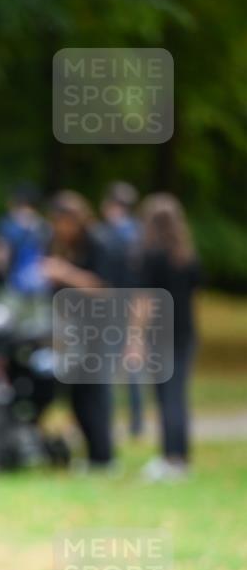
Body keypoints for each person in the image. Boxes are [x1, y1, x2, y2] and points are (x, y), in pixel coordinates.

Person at [41, 190, 115, 469]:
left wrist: (65, 273)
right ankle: (92, 455)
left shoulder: (98, 243)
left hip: (98, 327)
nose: (60, 229)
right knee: (76, 394)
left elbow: (105, 288)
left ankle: (103, 456)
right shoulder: (57, 243)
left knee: (95, 393)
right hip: (70, 330)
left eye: (63, 222)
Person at [135, 194, 201, 481]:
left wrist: (135, 337)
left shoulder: (151, 256)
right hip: (186, 332)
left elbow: (145, 302)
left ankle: (170, 459)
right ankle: (180, 457)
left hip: (161, 334)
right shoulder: (187, 257)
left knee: (167, 397)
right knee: (178, 395)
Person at [94, 181, 144, 436]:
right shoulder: (140, 233)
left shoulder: (106, 235)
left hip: (113, 305)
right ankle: (136, 422)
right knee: (132, 365)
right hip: (135, 304)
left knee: (111, 365)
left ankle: (110, 421)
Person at [0, 181, 49, 297]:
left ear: (13, 202)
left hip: (12, 292)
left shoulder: (5, 225)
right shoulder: (47, 226)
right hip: (43, 293)